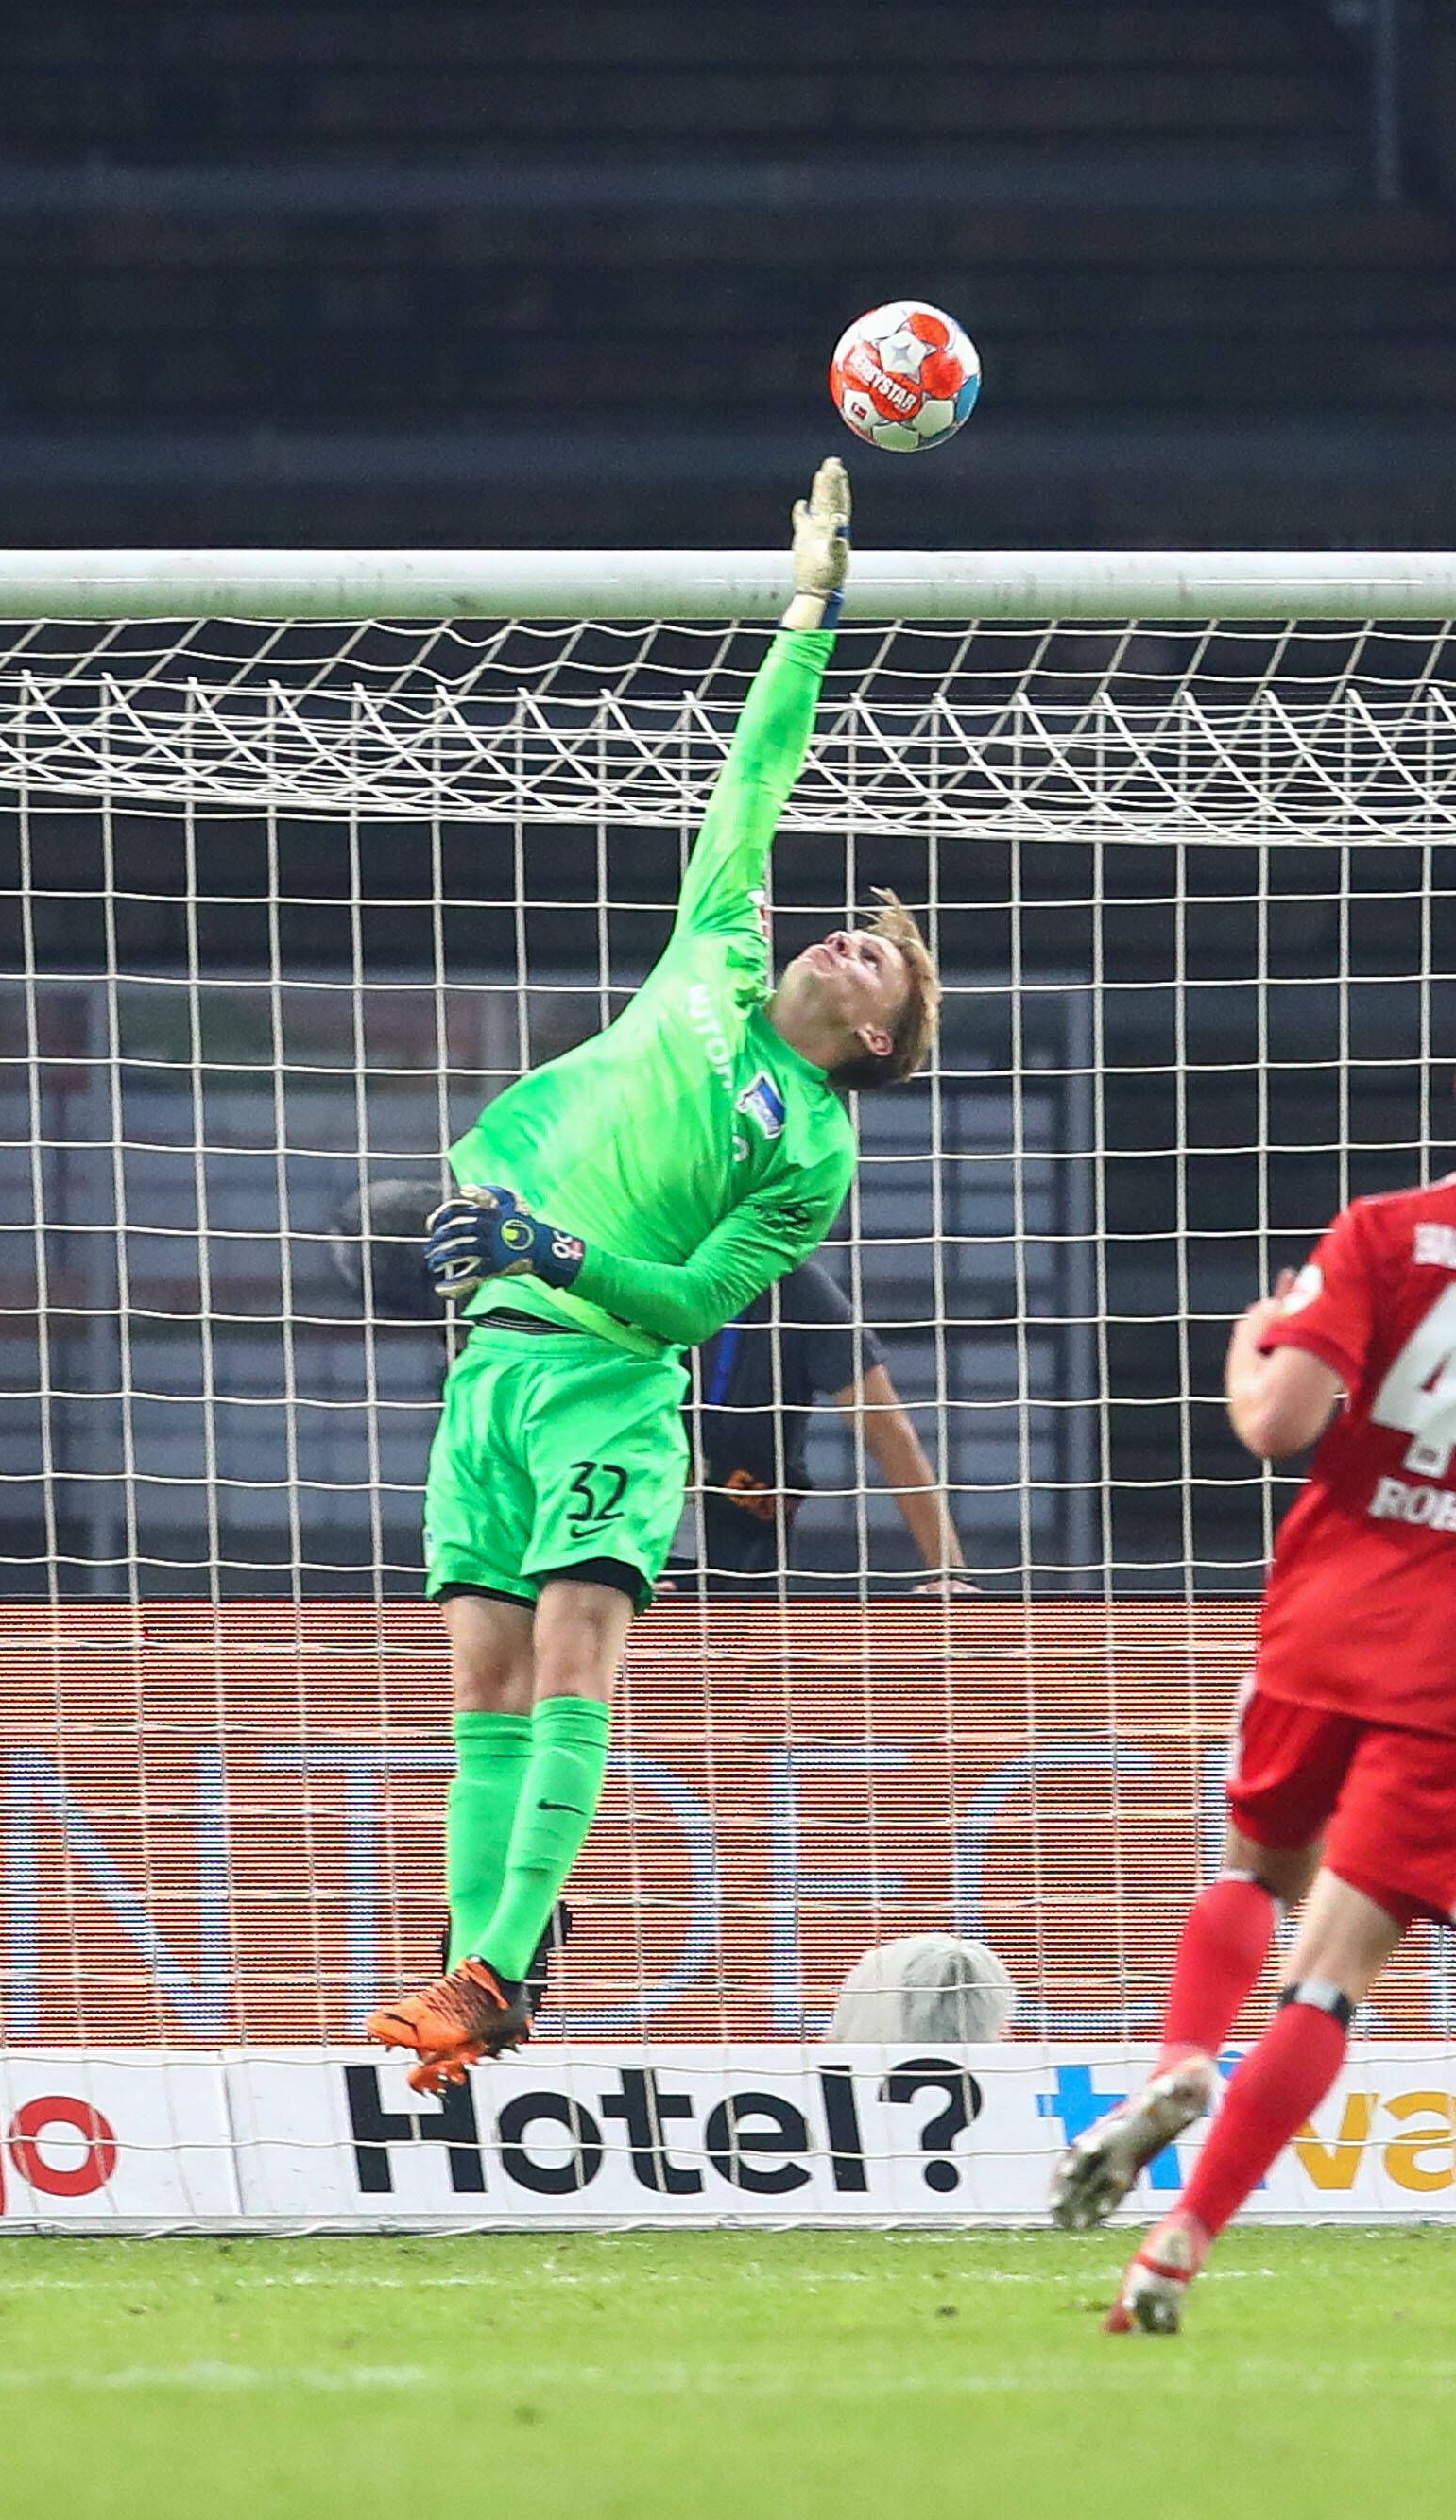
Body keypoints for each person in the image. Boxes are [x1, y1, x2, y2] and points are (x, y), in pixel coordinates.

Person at [362, 459, 942, 2092]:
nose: (849, 940)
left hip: (614, 1378)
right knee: (478, 1677)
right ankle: (484, 1980)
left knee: (566, 1660)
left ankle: (490, 1969)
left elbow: (691, 1306)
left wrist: (550, 1242)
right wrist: (809, 606)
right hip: (495, 1363)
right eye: (852, 928)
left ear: (884, 1031)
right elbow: (757, 771)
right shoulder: (719, 952)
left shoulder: (810, 1143)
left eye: (879, 956)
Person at [1049, 973, 1456, 2336]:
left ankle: (1178, 2058)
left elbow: (1280, 1423)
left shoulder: (1383, 1231)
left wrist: (1245, 1355)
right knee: (1333, 1972)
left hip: (1332, 1616)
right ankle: (1177, 2244)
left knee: (1253, 1866)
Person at [683, 1257, 970, 1588]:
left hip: (744, 1573)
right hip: (633, 1546)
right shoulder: (639, 1270)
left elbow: (887, 1431)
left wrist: (949, 1574)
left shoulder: (793, 1286)